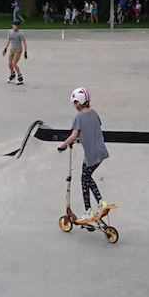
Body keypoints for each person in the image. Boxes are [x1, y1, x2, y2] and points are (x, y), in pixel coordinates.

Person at [57, 87, 110, 219]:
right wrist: (83, 138)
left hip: (91, 154)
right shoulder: (94, 113)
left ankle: (92, 208)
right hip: (101, 151)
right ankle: (100, 203)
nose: (74, 106)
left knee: (84, 179)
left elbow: (74, 135)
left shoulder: (78, 117)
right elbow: (93, 128)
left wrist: (62, 145)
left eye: (75, 103)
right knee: (87, 177)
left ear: (78, 102)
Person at [3, 20, 28, 85]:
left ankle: (20, 76)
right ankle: (12, 74)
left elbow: (24, 43)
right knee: (9, 64)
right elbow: (8, 40)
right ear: (12, 25)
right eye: (14, 25)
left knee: (14, 63)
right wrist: (5, 49)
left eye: (17, 26)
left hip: (18, 50)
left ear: (18, 26)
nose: (15, 27)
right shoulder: (9, 32)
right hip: (12, 49)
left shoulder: (20, 34)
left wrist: (25, 52)